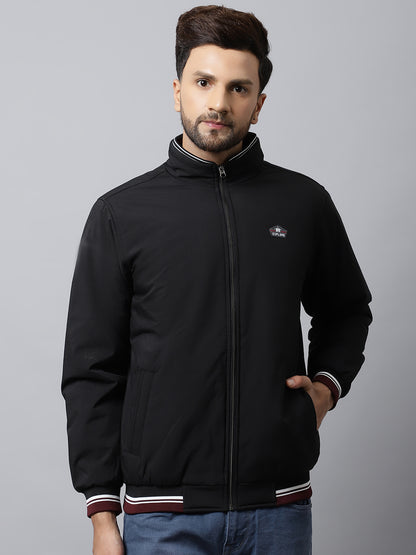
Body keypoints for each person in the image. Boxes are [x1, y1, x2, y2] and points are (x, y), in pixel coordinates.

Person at [61, 5, 372, 554]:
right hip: (163, 517)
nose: (219, 103)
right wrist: (102, 514)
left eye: (238, 88)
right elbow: (91, 369)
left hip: (277, 510)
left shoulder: (303, 203)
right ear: (177, 91)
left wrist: (325, 388)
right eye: (203, 82)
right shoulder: (121, 214)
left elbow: (347, 309)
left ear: (259, 104)